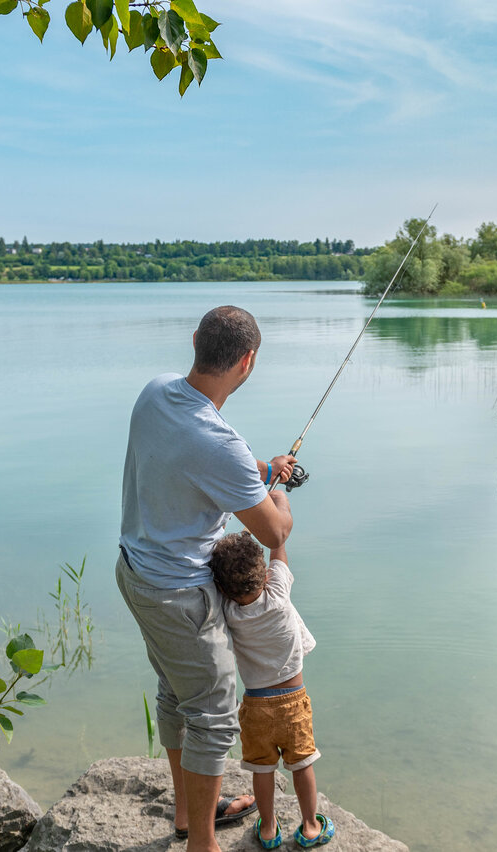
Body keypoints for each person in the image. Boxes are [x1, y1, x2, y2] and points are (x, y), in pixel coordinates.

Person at [117, 305, 297, 852]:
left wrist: (261, 473)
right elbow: (272, 531)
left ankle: (187, 813)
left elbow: (192, 468)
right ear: (248, 362)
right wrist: (279, 494)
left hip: (135, 573)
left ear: (195, 341)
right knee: (216, 718)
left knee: (175, 695)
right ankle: (202, 845)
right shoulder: (223, 444)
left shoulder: (155, 392)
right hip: (181, 597)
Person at [208, 531, 335, 849]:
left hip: (255, 706)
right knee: (302, 763)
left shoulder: (228, 611)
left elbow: (224, 588)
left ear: (223, 588)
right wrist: (277, 508)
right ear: (264, 574)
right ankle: (309, 826)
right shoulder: (278, 590)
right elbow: (277, 541)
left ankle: (267, 828)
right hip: (293, 702)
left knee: (262, 769)